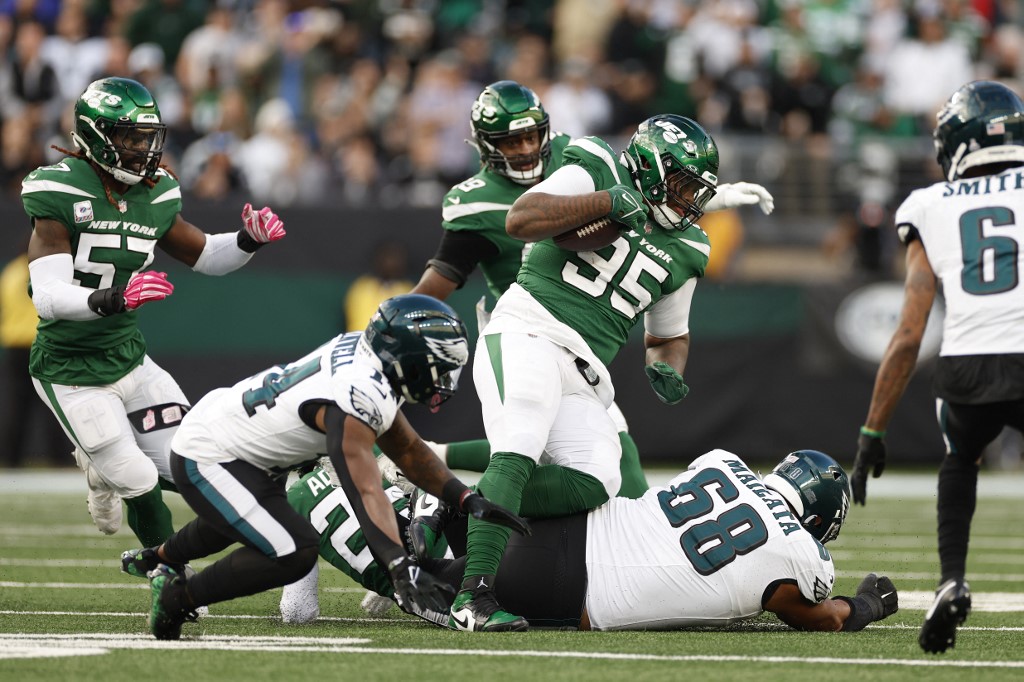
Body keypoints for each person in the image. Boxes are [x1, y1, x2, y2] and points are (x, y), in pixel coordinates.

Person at [450, 112, 770, 632]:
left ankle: (447, 498)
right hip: (528, 329)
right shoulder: (599, 164)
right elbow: (522, 219)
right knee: (521, 442)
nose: (691, 201)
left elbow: (667, 337)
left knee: (600, 476)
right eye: (684, 185)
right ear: (648, 168)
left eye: (698, 190)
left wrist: (667, 367)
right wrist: (604, 202)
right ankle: (473, 596)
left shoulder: (691, 247)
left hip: (587, 370)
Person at [411, 80, 774, 501]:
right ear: (484, 145)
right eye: (512, 142)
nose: (527, 148)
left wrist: (712, 198)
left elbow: (642, 188)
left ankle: (436, 466)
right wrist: (395, 331)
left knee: (594, 465)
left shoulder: (575, 158)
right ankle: (450, 501)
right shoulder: (476, 202)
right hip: (524, 326)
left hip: (581, 337)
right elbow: (441, 278)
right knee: (527, 445)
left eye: (532, 135)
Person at [120, 294, 529, 640]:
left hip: (242, 443)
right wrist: (398, 564)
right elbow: (363, 489)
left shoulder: (373, 365)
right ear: (407, 359)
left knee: (250, 518)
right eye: (440, 366)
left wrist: (463, 496)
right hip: (212, 453)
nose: (446, 379)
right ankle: (178, 598)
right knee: (294, 550)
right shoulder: (358, 393)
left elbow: (406, 448)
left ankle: (159, 556)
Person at [21, 77, 285, 550]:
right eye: (130, 137)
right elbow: (47, 296)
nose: (143, 149)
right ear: (96, 135)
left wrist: (247, 241)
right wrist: (115, 298)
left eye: (147, 138)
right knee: (140, 479)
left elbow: (204, 254)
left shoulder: (156, 190)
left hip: (130, 358)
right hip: (69, 367)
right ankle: (171, 579)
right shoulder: (58, 189)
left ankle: (99, 463)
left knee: (193, 462)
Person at [283, 448, 899, 633]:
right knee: (415, 587)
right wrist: (870, 600)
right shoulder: (801, 558)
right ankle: (312, 507)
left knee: (481, 514)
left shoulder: (724, 464)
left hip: (565, 520)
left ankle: (435, 501)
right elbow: (820, 619)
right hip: (568, 588)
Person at [851, 80, 1024, 654]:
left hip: (967, 366)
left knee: (961, 459)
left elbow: (908, 334)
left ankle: (951, 577)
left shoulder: (929, 204)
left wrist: (873, 433)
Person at [0, 241, 68, 467]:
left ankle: (11, 459)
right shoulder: (43, 273)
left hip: (15, 346)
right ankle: (60, 459)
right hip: (42, 344)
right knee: (54, 404)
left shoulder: (10, 273)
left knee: (17, 407)